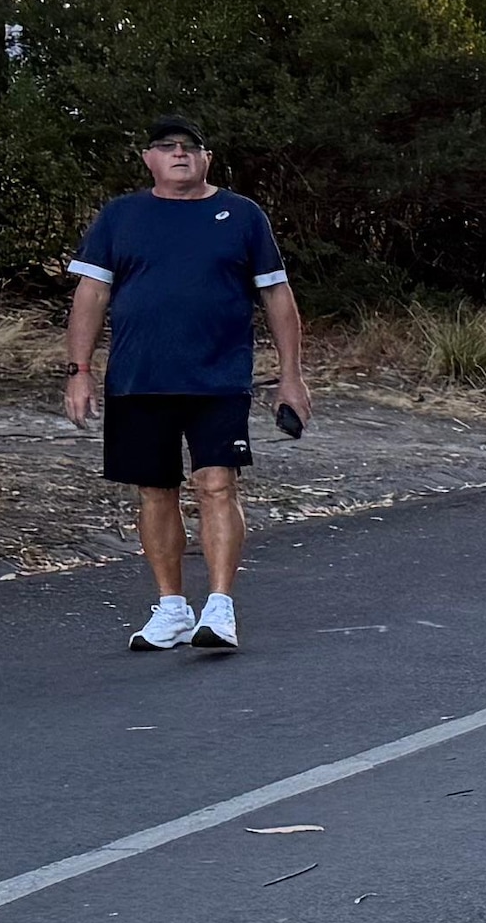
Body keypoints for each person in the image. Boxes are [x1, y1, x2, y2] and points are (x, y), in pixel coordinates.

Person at [61, 117, 314, 655]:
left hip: (217, 377)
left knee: (216, 484)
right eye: (167, 147)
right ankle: (171, 607)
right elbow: (90, 295)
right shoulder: (121, 216)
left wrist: (291, 377)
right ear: (148, 158)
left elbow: (276, 297)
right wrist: (78, 372)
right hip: (138, 379)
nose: (179, 155)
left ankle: (219, 607)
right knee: (155, 491)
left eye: (190, 148)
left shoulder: (242, 216)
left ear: (207, 159)